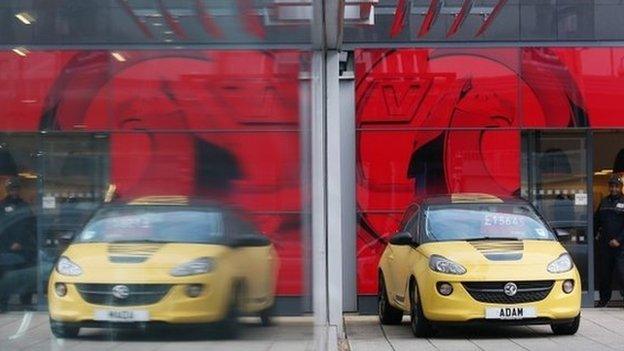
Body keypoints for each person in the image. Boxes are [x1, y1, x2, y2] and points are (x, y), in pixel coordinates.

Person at [0, 177, 36, 311]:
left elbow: (30, 226)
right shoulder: (2, 206)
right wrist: (9, 244)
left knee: (27, 276)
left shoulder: (24, 205)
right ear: (8, 190)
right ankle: (3, 303)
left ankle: (25, 302)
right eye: (11, 189)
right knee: (6, 277)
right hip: (5, 249)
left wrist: (21, 242)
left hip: (24, 248)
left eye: (16, 189)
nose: (14, 191)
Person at [595, 174, 624, 307]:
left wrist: (619, 240)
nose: (613, 189)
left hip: (620, 246)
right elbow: (596, 221)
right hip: (605, 245)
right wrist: (593, 238)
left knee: (621, 272)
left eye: (616, 186)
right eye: (611, 186)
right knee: (604, 274)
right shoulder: (604, 202)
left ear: (621, 188)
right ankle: (603, 300)